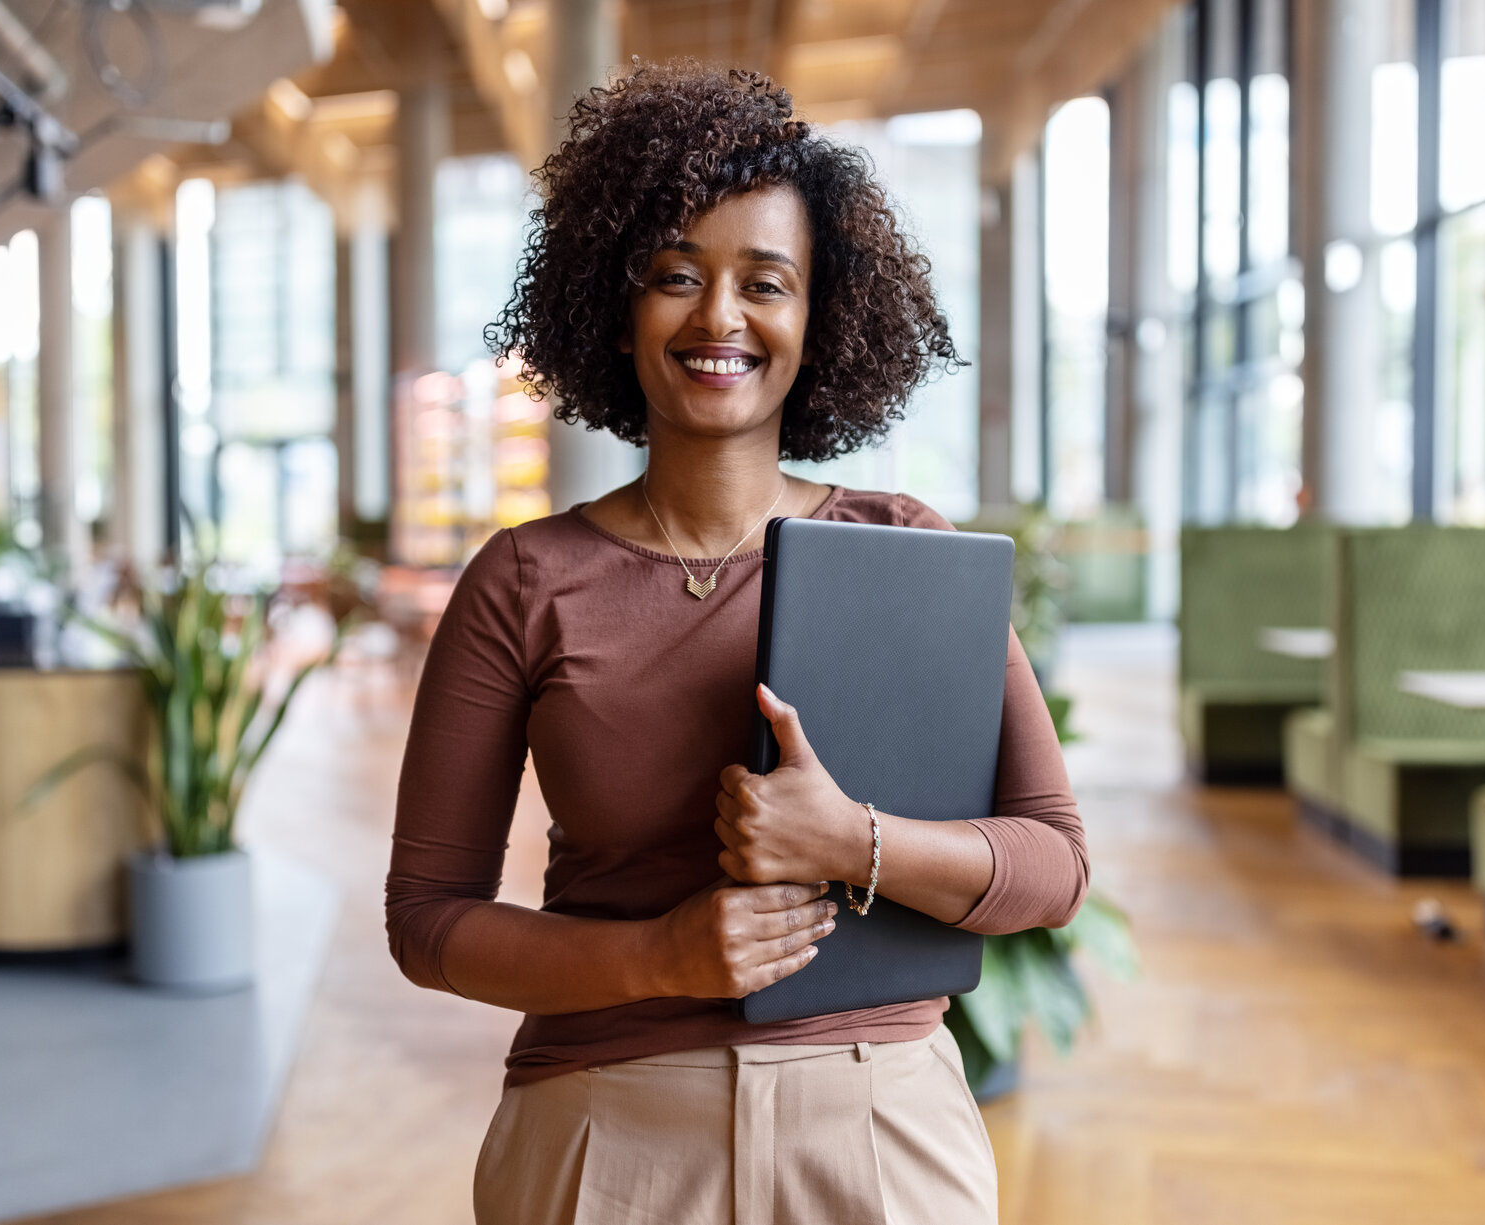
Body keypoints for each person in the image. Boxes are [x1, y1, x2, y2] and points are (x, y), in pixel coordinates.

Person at [385, 61, 1089, 1225]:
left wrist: (853, 840)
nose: (720, 317)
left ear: (819, 318)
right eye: (675, 276)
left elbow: (1054, 866)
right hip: (608, 1130)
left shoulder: (907, 550)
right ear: (615, 306)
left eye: (766, 282)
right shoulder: (523, 581)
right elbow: (429, 922)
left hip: (876, 1131)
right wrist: (660, 958)